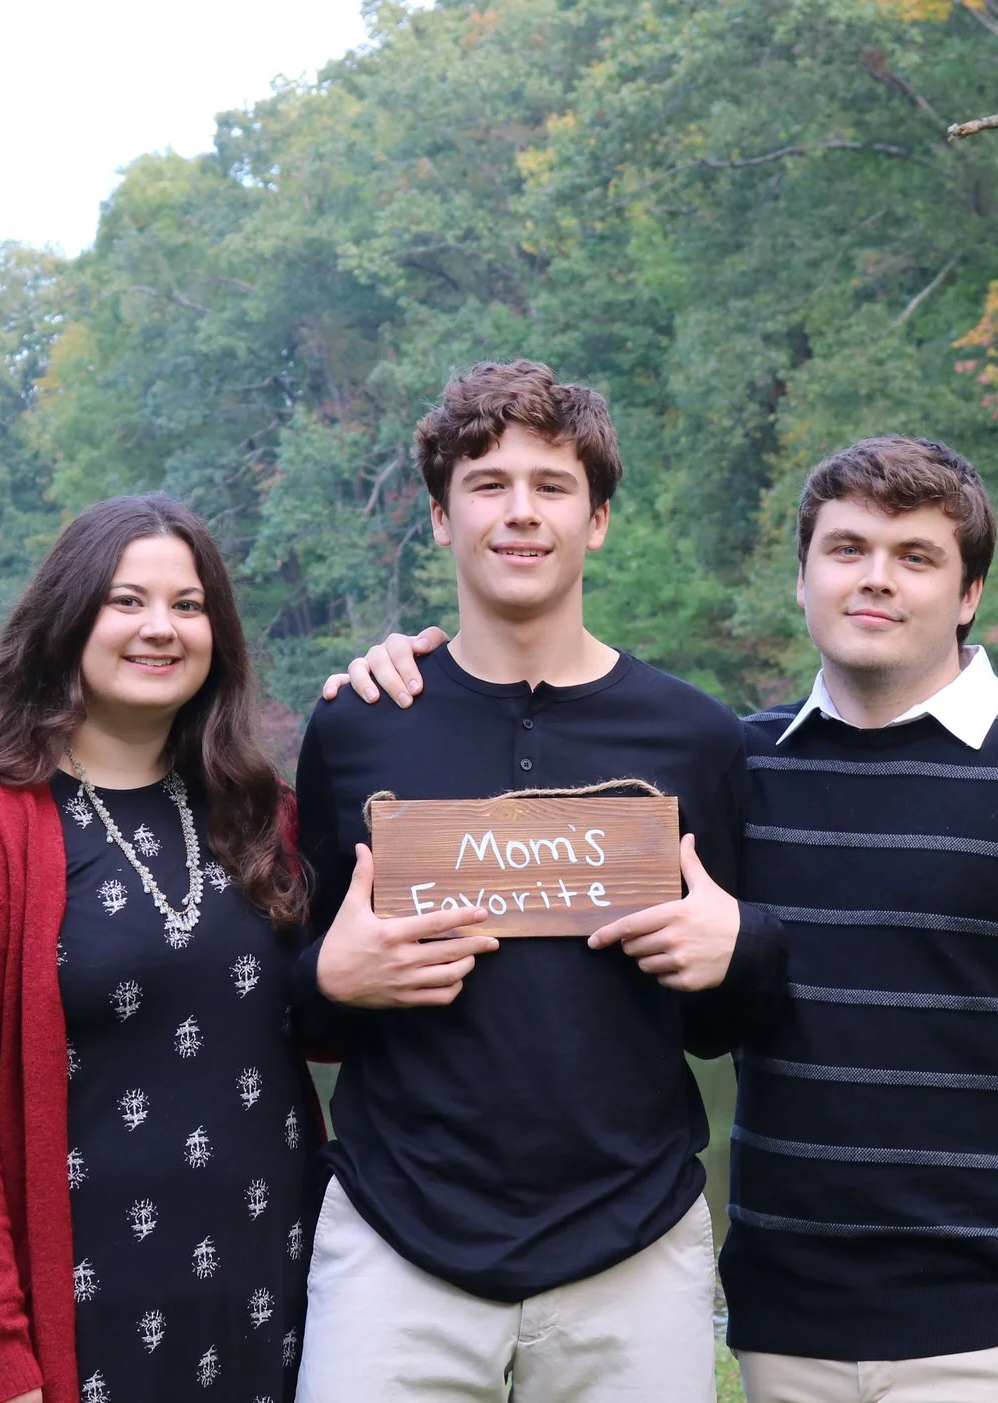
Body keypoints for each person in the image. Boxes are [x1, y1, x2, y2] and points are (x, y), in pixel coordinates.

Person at [328, 435, 998, 1401]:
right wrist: (414, 674)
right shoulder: (735, 764)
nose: (876, 581)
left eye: (915, 557)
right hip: (790, 1330)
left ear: (969, 593)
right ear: (802, 578)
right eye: (847, 550)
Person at [291, 360, 782, 1403]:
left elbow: (724, 1014)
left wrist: (740, 949)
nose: (520, 512)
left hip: (634, 1245)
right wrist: (327, 981)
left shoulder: (695, 735)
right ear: (439, 517)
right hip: (394, 1238)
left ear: (596, 518)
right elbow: (299, 992)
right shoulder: (356, 723)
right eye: (487, 482)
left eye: (552, 485)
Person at [0, 493, 324, 1403]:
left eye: (189, 605)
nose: (161, 628)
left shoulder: (260, 814)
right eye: (126, 600)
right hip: (71, 1327)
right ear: (66, 619)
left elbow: (332, 1017)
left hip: (266, 1298)